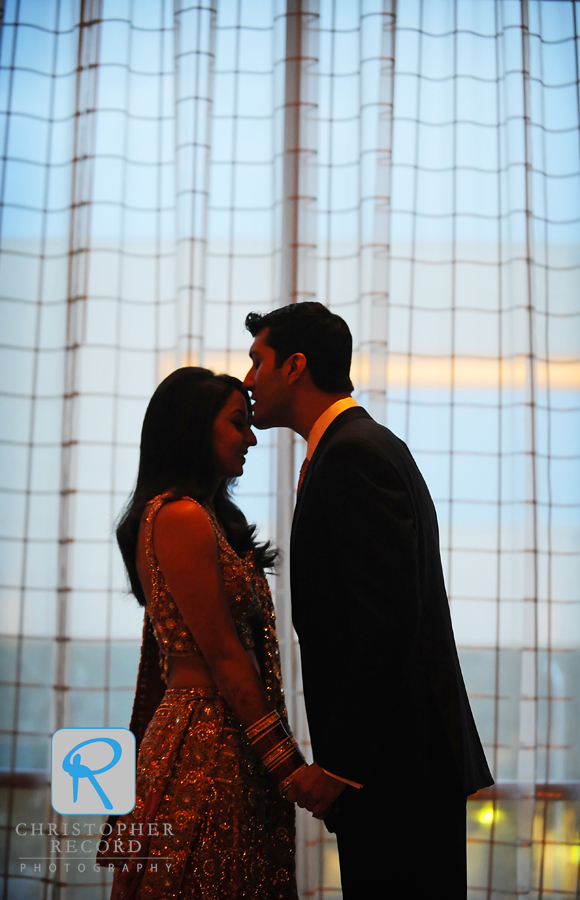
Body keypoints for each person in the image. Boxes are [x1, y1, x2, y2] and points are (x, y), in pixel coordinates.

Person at [242, 302, 494, 898]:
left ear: (295, 366)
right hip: (396, 761)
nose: (249, 379)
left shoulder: (353, 454)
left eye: (258, 361)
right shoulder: (359, 446)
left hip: (394, 767)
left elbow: (385, 620)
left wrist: (339, 767)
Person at [98, 367, 306, 900]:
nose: (251, 439)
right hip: (205, 743)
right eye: (239, 423)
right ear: (194, 428)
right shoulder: (181, 516)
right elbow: (224, 655)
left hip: (221, 734)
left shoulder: (197, 515)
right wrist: (289, 766)